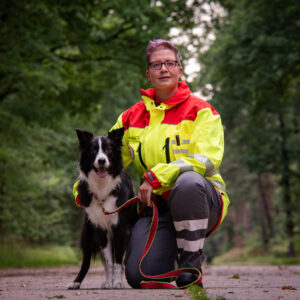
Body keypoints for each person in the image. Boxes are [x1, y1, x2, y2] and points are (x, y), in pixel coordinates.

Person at [110, 39, 230, 288]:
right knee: (138, 275)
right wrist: (85, 187)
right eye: (156, 65)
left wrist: (156, 176)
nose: (163, 69)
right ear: (148, 74)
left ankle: (190, 265)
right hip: (158, 208)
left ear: (179, 70)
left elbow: (207, 159)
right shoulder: (130, 117)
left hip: (202, 200)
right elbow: (108, 160)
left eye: (169, 63)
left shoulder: (203, 111)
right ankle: (171, 254)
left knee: (187, 181)